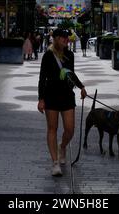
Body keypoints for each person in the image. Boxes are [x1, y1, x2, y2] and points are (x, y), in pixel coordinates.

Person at [37, 28, 87, 177]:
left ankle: (62, 146)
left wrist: (81, 87)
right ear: (56, 39)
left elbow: (70, 73)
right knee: (52, 129)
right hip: (51, 95)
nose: (66, 40)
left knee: (70, 129)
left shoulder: (70, 55)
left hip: (66, 95)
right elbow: (42, 79)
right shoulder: (47, 55)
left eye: (67, 37)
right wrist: (41, 99)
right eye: (63, 38)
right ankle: (55, 163)